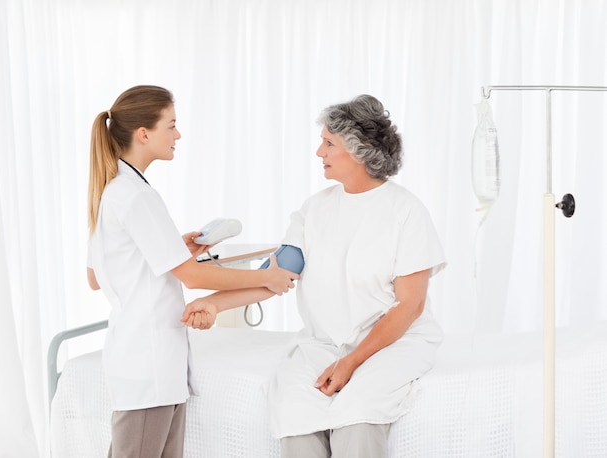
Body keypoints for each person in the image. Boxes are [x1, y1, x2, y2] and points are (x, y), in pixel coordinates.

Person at [181, 94, 446, 457]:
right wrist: (211, 303)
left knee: (359, 413)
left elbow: (410, 305)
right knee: (294, 411)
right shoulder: (316, 209)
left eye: (329, 143)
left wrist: (351, 362)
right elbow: (274, 277)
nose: (319, 152)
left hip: (393, 344)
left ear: (360, 150)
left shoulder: (406, 212)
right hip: (323, 345)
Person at [86, 85, 298, 458]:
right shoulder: (136, 196)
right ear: (144, 134)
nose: (178, 135)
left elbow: (96, 275)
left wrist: (170, 251)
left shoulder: (116, 191)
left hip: (146, 362)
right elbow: (195, 277)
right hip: (147, 365)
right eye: (171, 125)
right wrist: (265, 278)